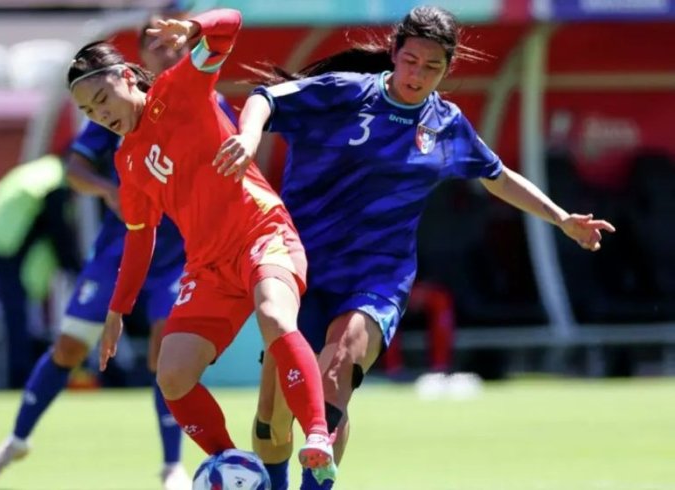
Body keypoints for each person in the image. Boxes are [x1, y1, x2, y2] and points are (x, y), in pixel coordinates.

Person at [213, 6, 616, 489]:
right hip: (302, 266)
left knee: (339, 367)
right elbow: (266, 99)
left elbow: (497, 177)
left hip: (377, 277)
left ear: (448, 69)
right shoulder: (345, 93)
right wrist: (249, 137)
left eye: (432, 67)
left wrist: (561, 219)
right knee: (272, 420)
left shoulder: (446, 124)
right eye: (411, 61)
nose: (418, 75)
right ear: (393, 55)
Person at [68, 7, 337, 485]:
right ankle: (235, 466)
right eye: (89, 111)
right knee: (171, 375)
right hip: (209, 268)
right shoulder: (128, 161)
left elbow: (230, 24)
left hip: (263, 233)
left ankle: (318, 436)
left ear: (130, 77)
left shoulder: (178, 89)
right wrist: (117, 310)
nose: (101, 114)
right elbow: (139, 235)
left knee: (276, 317)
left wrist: (195, 27)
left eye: (103, 98)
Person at [0, 14, 237, 490]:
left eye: (174, 45)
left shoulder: (203, 100)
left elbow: (233, 155)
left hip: (179, 253)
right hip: (121, 247)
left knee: (164, 351)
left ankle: (172, 464)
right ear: (139, 59)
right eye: (156, 46)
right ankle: (16, 441)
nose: (168, 53)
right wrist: (109, 192)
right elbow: (74, 167)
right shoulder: (114, 111)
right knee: (70, 346)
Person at [0, 155, 81, 390]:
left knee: (18, 313)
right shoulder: (55, 181)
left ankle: (22, 376)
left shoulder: (42, 170)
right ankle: (18, 381)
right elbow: (59, 233)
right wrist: (76, 268)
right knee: (16, 314)